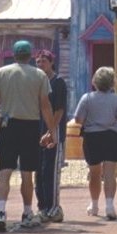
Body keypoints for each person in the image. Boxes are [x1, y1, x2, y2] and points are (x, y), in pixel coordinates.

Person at [0, 40, 57, 233]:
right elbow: (45, 105)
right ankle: (27, 212)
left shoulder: (2, 73)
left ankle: (2, 212)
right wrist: (52, 131)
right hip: (30, 125)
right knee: (27, 173)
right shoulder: (39, 75)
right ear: (30, 55)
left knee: (4, 171)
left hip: (8, 125)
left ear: (14, 55)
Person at [74, 66, 117, 220]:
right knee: (109, 174)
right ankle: (109, 205)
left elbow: (78, 120)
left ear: (95, 82)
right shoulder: (116, 99)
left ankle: (94, 205)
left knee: (94, 174)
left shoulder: (86, 98)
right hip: (111, 136)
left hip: (92, 137)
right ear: (112, 83)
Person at [34, 49, 67, 223]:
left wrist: (50, 131)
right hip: (37, 131)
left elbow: (59, 109)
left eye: (43, 61)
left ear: (51, 62)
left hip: (53, 132)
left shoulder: (58, 82)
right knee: (39, 170)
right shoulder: (36, 82)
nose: (40, 64)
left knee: (51, 171)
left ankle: (54, 207)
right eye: (38, 62)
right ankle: (42, 207)